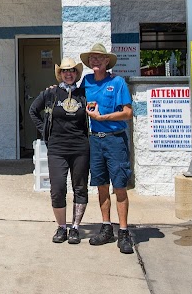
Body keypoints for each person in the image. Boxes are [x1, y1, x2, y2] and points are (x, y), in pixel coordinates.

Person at [80, 43, 135, 254]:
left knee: (119, 186)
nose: (95, 61)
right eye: (92, 58)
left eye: (99, 58)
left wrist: (104, 117)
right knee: (101, 185)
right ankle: (106, 228)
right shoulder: (87, 82)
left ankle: (123, 231)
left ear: (106, 62)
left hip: (115, 140)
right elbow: (72, 96)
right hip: (95, 140)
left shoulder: (118, 82)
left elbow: (128, 113)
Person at [29, 57, 90, 245]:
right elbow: (33, 110)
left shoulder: (84, 93)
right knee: (57, 189)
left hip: (80, 147)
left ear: (77, 74)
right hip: (56, 148)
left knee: (80, 188)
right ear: (60, 74)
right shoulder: (50, 94)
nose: (69, 74)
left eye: (72, 70)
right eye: (65, 71)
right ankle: (62, 227)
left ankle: (75, 228)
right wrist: (44, 130)